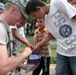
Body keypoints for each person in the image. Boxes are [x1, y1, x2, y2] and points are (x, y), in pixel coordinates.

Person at [25, 0, 76, 75]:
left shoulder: (57, 3)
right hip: (62, 52)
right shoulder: (47, 19)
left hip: (75, 50)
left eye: (35, 15)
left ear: (38, 8)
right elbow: (51, 34)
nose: (36, 18)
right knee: (60, 72)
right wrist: (39, 45)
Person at [0, 0, 33, 75]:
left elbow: (8, 57)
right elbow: (3, 68)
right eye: (21, 17)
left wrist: (25, 67)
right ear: (13, 10)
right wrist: (24, 54)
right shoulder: (0, 28)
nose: (20, 21)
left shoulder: (6, 27)